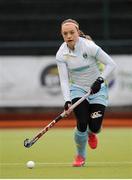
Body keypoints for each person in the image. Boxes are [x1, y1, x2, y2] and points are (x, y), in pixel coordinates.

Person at [56, 19, 116, 167]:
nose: (69, 36)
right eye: (65, 33)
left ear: (78, 32)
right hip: (77, 88)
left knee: (95, 127)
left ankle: (92, 133)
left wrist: (99, 80)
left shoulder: (89, 46)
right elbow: (64, 81)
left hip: (98, 89)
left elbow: (111, 64)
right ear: (62, 35)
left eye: (72, 32)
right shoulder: (61, 54)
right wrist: (67, 100)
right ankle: (80, 157)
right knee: (82, 122)